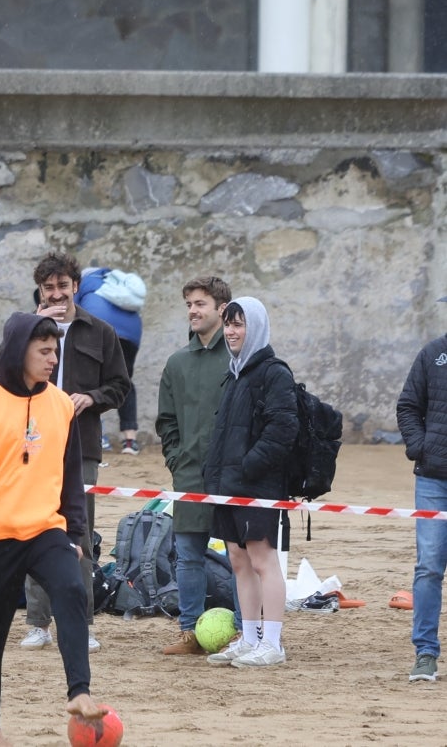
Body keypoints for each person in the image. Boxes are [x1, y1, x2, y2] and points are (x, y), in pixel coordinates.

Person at [0, 312, 106, 746]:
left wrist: (75, 534)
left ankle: (80, 692)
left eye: (55, 350)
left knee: (72, 590)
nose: (53, 359)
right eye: (44, 351)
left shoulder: (61, 405)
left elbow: (71, 475)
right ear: (20, 352)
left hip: (45, 529)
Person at [2, 253, 128, 654]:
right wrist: (30, 331)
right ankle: (38, 623)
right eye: (48, 287)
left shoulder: (101, 331)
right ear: (40, 291)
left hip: (81, 445)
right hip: (30, 442)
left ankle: (81, 622)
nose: (56, 294)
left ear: (76, 286)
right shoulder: (24, 328)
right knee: (33, 533)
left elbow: (120, 386)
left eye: (63, 285)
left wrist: (91, 398)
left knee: (79, 535)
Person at [202, 297, 297, 668]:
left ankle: (272, 644)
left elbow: (283, 429)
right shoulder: (234, 372)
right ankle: (252, 637)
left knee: (262, 560)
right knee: (238, 560)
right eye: (228, 324)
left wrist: (248, 467)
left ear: (254, 327)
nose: (231, 331)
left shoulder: (274, 373)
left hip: (257, 486)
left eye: (238, 324)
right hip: (227, 485)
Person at [155, 275, 232, 656]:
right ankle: (189, 632)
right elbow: (166, 420)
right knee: (188, 554)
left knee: (242, 555)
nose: (192, 311)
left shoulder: (240, 358)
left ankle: (247, 631)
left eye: (200, 303)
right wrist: (176, 457)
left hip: (236, 475)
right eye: (188, 304)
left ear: (222, 308)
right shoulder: (177, 363)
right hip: (189, 474)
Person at [395, 296, 447, 683]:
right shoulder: (432, 354)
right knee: (429, 567)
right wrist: (420, 446)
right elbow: (408, 405)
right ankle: (425, 653)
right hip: (433, 479)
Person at [75, 267, 146, 455]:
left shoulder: (84, 283)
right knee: (124, 382)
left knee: (89, 382)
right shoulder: (116, 283)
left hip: (98, 328)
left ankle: (100, 438)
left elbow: (71, 311)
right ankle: (130, 441)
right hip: (131, 335)